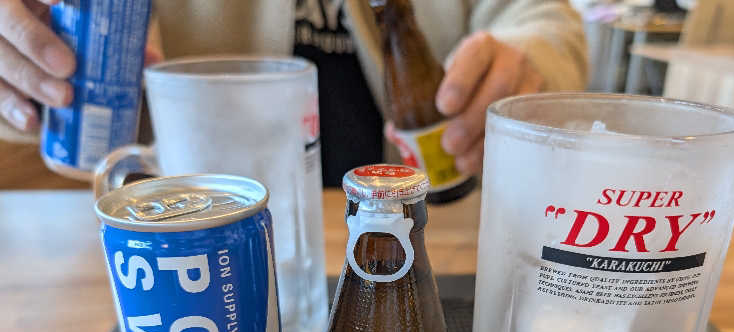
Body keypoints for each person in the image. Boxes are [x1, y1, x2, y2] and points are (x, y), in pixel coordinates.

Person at [0, 0, 587, 184]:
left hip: (431, 227)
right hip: (203, 246)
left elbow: (545, 18)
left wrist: (526, 63)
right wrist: (21, 64)